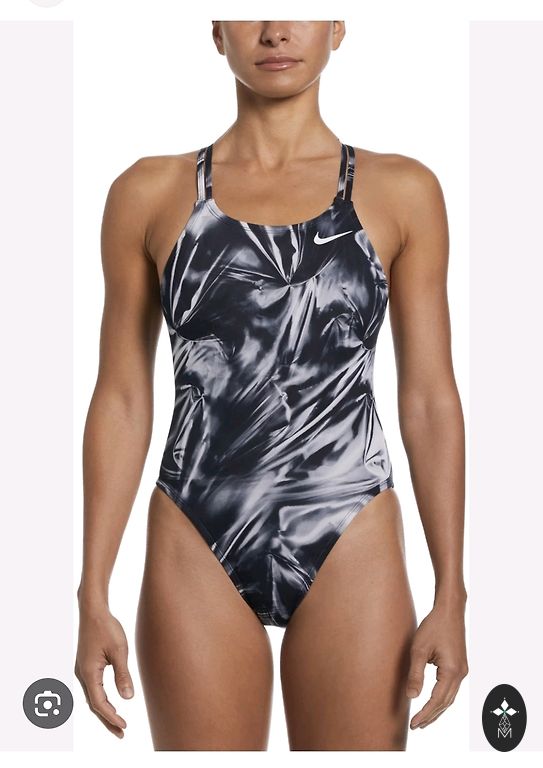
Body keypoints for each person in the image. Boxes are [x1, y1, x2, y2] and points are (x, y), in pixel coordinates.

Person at [75, 20, 468, 751]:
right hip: (196, 528)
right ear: (216, 30)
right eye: (251, 8)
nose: (276, 30)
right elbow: (122, 397)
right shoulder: (149, 192)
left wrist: (452, 592)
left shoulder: (401, 191)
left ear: (338, 27)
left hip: (349, 524)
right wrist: (91, 591)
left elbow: (429, 400)